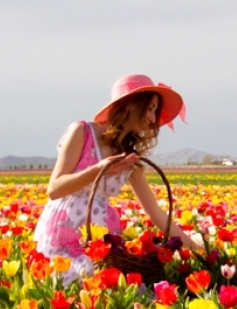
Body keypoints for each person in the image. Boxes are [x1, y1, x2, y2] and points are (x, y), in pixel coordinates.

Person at [34, 74, 204, 285]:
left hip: (101, 239)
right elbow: (55, 188)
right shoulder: (82, 132)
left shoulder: (129, 156)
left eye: (155, 111)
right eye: (150, 108)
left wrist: (197, 249)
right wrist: (100, 169)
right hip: (64, 231)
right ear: (132, 104)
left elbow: (157, 214)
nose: (153, 119)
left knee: (121, 288)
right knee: (77, 284)